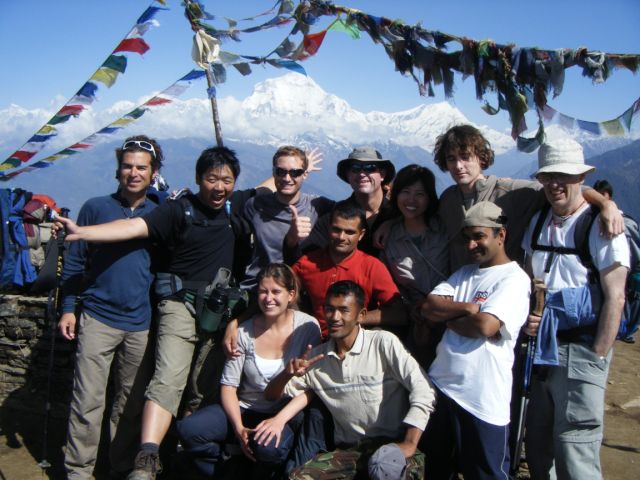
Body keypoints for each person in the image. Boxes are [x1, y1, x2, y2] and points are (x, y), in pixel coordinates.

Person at [55, 146, 257, 480]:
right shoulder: (172, 210)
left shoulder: (229, 216)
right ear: (198, 178)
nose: (219, 186)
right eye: (211, 178)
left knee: (171, 395)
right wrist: (83, 233)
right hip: (143, 310)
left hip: (188, 315)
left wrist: (297, 171)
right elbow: (131, 228)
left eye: (226, 180)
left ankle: (145, 465)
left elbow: (270, 189)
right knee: (149, 385)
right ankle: (116, 465)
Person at [521, 138, 629, 479]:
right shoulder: (538, 220)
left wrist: (598, 355)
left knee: (575, 449)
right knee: (538, 445)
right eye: (548, 176)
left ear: (581, 177)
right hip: (543, 349)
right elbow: (529, 278)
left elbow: (616, 296)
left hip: (582, 349)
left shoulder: (601, 225)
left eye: (564, 176)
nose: (555, 184)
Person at [252, 280, 436, 479]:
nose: (334, 317)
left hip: (393, 447)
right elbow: (271, 395)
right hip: (351, 453)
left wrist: (409, 443)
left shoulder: (382, 343)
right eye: (329, 309)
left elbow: (424, 389)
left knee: (387, 472)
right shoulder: (316, 358)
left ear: (361, 315)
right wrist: (287, 374)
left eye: (343, 310)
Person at [59, 135, 162, 479]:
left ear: (154, 172)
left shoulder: (161, 212)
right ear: (118, 170)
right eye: (127, 166)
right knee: (87, 401)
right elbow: (75, 263)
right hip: (98, 317)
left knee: (130, 404)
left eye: (141, 167)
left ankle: (121, 468)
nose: (134, 173)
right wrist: (69, 308)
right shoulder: (94, 208)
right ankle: (78, 471)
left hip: (140, 321)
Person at [175, 263, 321, 478]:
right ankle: (228, 470)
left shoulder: (307, 327)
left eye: (276, 292)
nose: (268, 298)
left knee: (268, 448)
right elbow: (229, 386)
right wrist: (238, 428)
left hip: (282, 412)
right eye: (263, 292)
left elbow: (311, 388)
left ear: (290, 295)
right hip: (245, 407)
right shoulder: (244, 331)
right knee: (189, 430)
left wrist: (279, 420)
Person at [419, 201, 531, 479]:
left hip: (482, 398)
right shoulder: (464, 274)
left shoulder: (514, 280)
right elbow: (429, 307)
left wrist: (448, 317)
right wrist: (469, 308)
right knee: (435, 470)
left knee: (485, 473)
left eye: (479, 236)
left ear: (500, 235)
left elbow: (485, 325)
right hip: (441, 388)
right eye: (467, 238)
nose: (471, 245)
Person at [292, 200, 405, 337]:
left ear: (361, 235)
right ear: (328, 228)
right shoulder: (307, 263)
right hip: (312, 339)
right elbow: (283, 291)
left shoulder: (372, 267)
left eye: (349, 232)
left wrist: (357, 318)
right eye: (336, 229)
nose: (341, 237)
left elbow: (399, 313)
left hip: (353, 342)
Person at [242, 145, 333, 289]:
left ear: (305, 174)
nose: (287, 178)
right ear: (274, 173)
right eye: (281, 171)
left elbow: (353, 212)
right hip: (257, 288)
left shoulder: (317, 206)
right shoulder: (256, 205)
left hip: (295, 289)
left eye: (295, 172)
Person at [287, 146, 396, 260]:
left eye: (370, 168)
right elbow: (304, 259)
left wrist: (393, 221)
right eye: (355, 168)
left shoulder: (398, 213)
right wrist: (291, 241)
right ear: (348, 176)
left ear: (382, 174)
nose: (362, 173)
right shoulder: (335, 216)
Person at [593, 178, 640, 343]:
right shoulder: (594, 223)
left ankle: (622, 329)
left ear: (610, 197)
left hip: (624, 275)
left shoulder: (623, 224)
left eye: (603, 195)